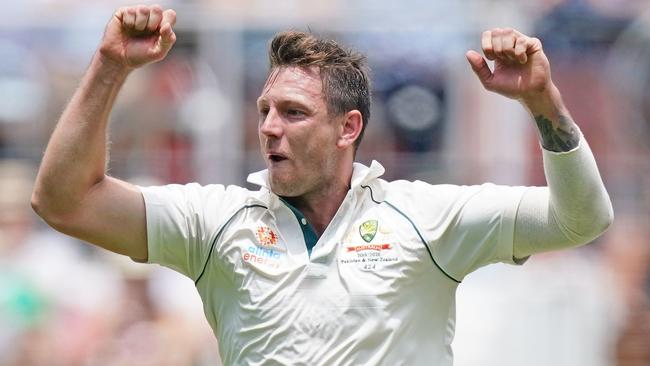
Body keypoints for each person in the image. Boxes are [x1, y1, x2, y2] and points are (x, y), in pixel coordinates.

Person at [31, 4, 613, 365]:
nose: (268, 128)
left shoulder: (427, 216)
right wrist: (109, 66)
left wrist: (543, 102)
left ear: (348, 127)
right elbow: (64, 201)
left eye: (293, 112)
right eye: (263, 111)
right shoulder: (214, 222)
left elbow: (582, 219)